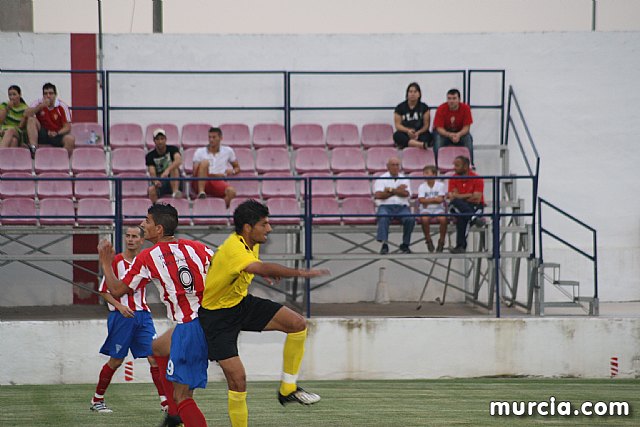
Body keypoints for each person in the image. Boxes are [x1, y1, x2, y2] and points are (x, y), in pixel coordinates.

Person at [198, 199, 330, 427]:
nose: (269, 229)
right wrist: (301, 272)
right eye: (264, 224)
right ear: (248, 228)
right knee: (238, 382)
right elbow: (257, 265)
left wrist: (261, 273)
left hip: (240, 304)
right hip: (217, 318)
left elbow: (252, 265)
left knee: (297, 324)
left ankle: (287, 389)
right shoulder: (233, 248)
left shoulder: (251, 242)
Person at [98, 203, 213, 427]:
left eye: (147, 221)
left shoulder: (147, 257)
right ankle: (172, 413)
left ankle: (176, 412)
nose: (143, 224)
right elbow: (222, 267)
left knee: (183, 398)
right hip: (208, 321)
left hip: (190, 327)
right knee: (157, 348)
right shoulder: (197, 247)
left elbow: (117, 290)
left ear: (158, 229)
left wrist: (105, 263)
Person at [90, 226, 167, 414]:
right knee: (116, 360)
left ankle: (165, 403)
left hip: (143, 315)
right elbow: (103, 290)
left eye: (134, 237)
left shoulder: (146, 261)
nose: (130, 239)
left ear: (142, 240)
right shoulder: (115, 261)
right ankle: (97, 399)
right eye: (128, 236)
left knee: (155, 357)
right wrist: (120, 306)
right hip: (122, 317)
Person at [373, 157, 414, 254]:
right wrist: (397, 190)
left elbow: (406, 194)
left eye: (397, 165)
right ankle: (384, 244)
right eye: (393, 165)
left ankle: (405, 244)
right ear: (388, 166)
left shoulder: (404, 179)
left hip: (401, 207)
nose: (395, 167)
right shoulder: (381, 179)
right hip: (385, 206)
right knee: (383, 216)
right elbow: (378, 195)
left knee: (410, 219)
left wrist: (390, 190)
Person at [192, 127, 240, 207]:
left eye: (214, 137)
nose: (211, 140)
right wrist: (212, 174)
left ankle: (218, 209)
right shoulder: (199, 151)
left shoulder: (228, 151)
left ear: (221, 138)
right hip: (202, 180)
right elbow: (195, 172)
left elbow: (237, 167)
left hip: (217, 181)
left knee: (231, 192)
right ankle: (201, 192)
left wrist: (232, 171)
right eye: (209, 137)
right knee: (205, 162)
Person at [25, 82, 75, 156]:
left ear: (55, 95)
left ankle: (62, 162)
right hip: (42, 133)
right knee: (31, 120)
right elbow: (26, 114)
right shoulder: (38, 103)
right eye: (45, 94)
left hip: (57, 133)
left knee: (70, 139)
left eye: (51, 93)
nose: (48, 96)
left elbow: (67, 126)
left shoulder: (62, 106)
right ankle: (33, 149)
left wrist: (57, 133)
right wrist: (40, 107)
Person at [447, 156, 485, 254]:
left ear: (465, 166)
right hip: (459, 206)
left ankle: (461, 246)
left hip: (474, 206)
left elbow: (477, 198)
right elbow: (452, 197)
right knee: (455, 204)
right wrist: (469, 195)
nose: (454, 168)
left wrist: (459, 196)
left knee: (462, 217)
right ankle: (473, 218)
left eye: (457, 165)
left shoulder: (477, 178)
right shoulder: (453, 178)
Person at [433, 88, 474, 164]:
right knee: (438, 140)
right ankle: (437, 164)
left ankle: (470, 164)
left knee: (468, 139)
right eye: (449, 98)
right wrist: (449, 135)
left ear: (459, 99)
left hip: (460, 133)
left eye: (454, 98)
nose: (451, 101)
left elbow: (466, 128)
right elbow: (439, 128)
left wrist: (458, 134)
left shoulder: (466, 109)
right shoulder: (441, 109)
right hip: (444, 134)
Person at [146, 128, 183, 203]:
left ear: (165, 139)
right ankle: (156, 211)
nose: (160, 141)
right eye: (157, 139)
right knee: (151, 190)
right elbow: (152, 171)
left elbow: (178, 160)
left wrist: (167, 170)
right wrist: (156, 181)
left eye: (162, 139)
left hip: (175, 180)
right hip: (161, 181)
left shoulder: (173, 149)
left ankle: (175, 192)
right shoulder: (150, 155)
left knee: (174, 168)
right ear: (154, 141)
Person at [393, 82, 432, 149]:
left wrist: (418, 133)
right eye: (410, 92)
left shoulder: (424, 107)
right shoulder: (400, 107)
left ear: (419, 94)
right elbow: (397, 125)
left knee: (428, 136)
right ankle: (418, 144)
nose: (412, 94)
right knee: (397, 135)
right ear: (407, 94)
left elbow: (426, 125)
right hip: (406, 133)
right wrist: (408, 131)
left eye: (415, 92)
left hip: (420, 133)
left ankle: (412, 144)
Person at [417, 165, 447, 253]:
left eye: (427, 173)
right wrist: (434, 199)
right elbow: (421, 200)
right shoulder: (422, 186)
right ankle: (428, 239)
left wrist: (428, 201)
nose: (425, 175)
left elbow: (440, 199)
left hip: (438, 209)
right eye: (424, 173)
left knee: (443, 219)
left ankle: (441, 241)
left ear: (434, 174)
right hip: (426, 209)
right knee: (425, 219)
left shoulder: (440, 185)